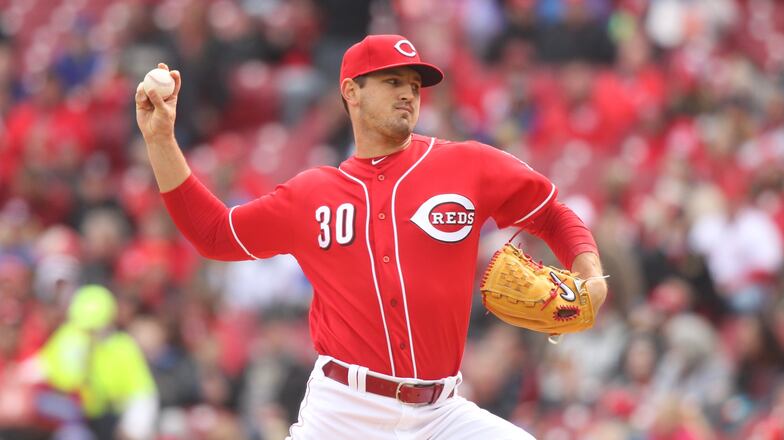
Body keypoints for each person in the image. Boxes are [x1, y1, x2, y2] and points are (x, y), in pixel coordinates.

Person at [135, 34, 607, 439]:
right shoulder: (310, 195)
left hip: (441, 414)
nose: (409, 94)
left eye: (415, 85)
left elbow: (552, 214)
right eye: (393, 82)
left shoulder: (468, 165)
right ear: (351, 92)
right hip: (344, 412)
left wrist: (589, 273)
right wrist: (161, 141)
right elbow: (216, 234)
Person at [17, 284, 159, 440]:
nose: (88, 334)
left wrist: (133, 428)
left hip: (112, 420)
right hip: (74, 419)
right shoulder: (68, 339)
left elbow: (142, 394)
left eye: (93, 329)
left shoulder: (123, 348)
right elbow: (41, 367)